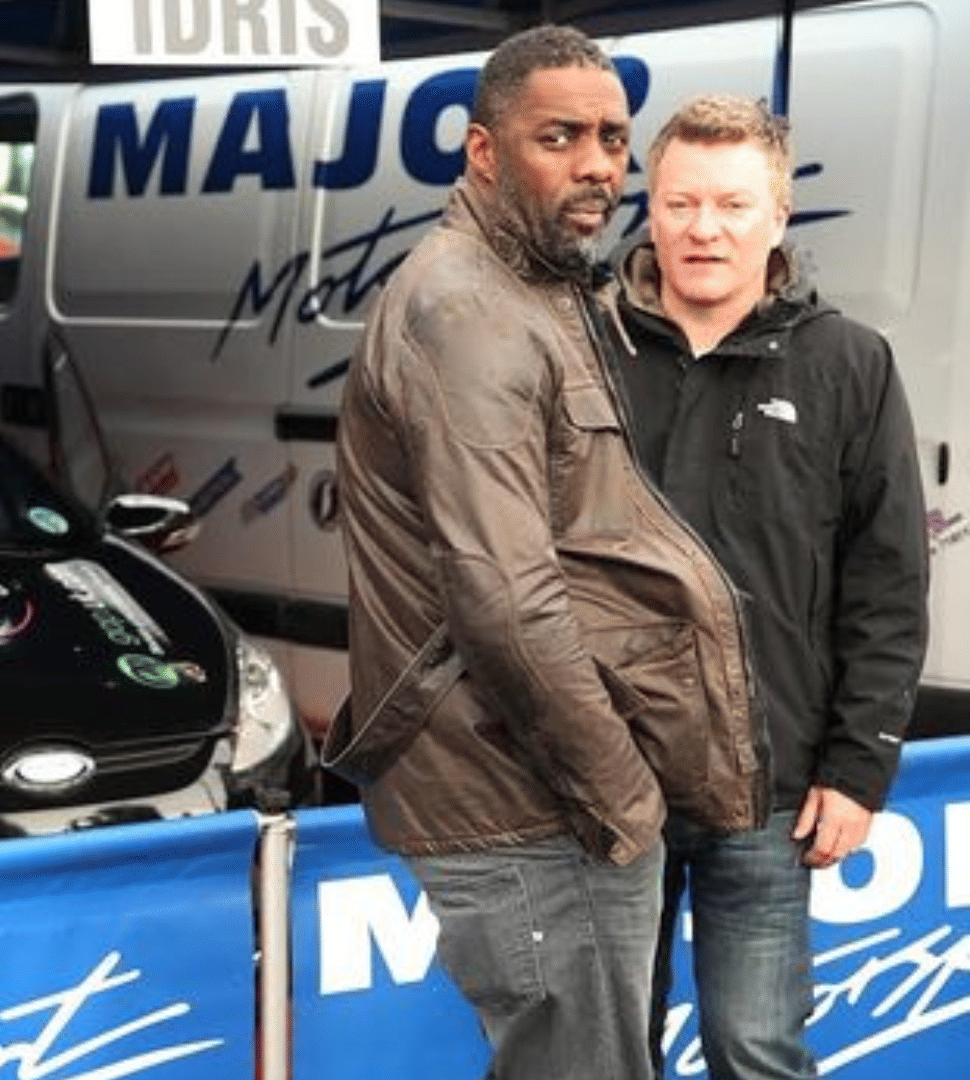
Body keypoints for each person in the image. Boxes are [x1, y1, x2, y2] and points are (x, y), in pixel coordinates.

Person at [327, 25, 769, 1080]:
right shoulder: (468, 311)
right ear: (483, 152)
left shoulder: (534, 288)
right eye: (559, 137)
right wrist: (625, 798)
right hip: (525, 796)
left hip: (542, 789)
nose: (598, 165)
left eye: (612, 138)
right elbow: (507, 602)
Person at [612, 95, 930, 1079]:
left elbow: (887, 581)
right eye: (681, 203)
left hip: (770, 787)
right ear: (651, 209)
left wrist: (858, 768)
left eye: (733, 205)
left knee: (755, 1050)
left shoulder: (848, 363)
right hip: (604, 782)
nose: (703, 229)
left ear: (780, 216)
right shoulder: (583, 350)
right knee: (599, 1055)